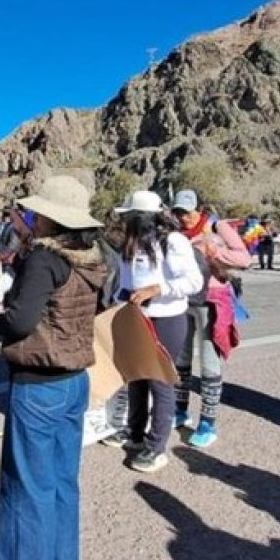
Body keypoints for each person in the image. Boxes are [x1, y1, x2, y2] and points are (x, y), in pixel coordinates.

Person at [0, 175, 107, 560]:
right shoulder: (93, 259)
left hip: (39, 385)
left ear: (51, 219)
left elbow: (20, 322)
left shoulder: (42, 259)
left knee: (27, 488)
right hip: (76, 380)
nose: (32, 219)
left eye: (37, 213)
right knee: (62, 483)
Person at [101, 191, 203, 473]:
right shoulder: (130, 245)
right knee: (136, 377)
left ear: (143, 218)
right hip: (136, 318)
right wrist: (118, 303)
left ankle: (156, 448)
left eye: (130, 218)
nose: (125, 223)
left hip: (166, 320)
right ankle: (134, 433)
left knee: (160, 382)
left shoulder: (173, 242)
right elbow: (125, 281)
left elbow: (193, 281)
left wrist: (159, 289)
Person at [170, 190, 251, 449]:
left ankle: (207, 422)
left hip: (212, 300)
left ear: (198, 208)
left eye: (187, 211)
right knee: (181, 360)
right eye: (178, 212)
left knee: (208, 363)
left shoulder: (218, 226)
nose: (183, 217)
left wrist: (213, 251)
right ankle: (180, 410)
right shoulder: (175, 231)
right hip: (185, 300)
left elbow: (244, 259)